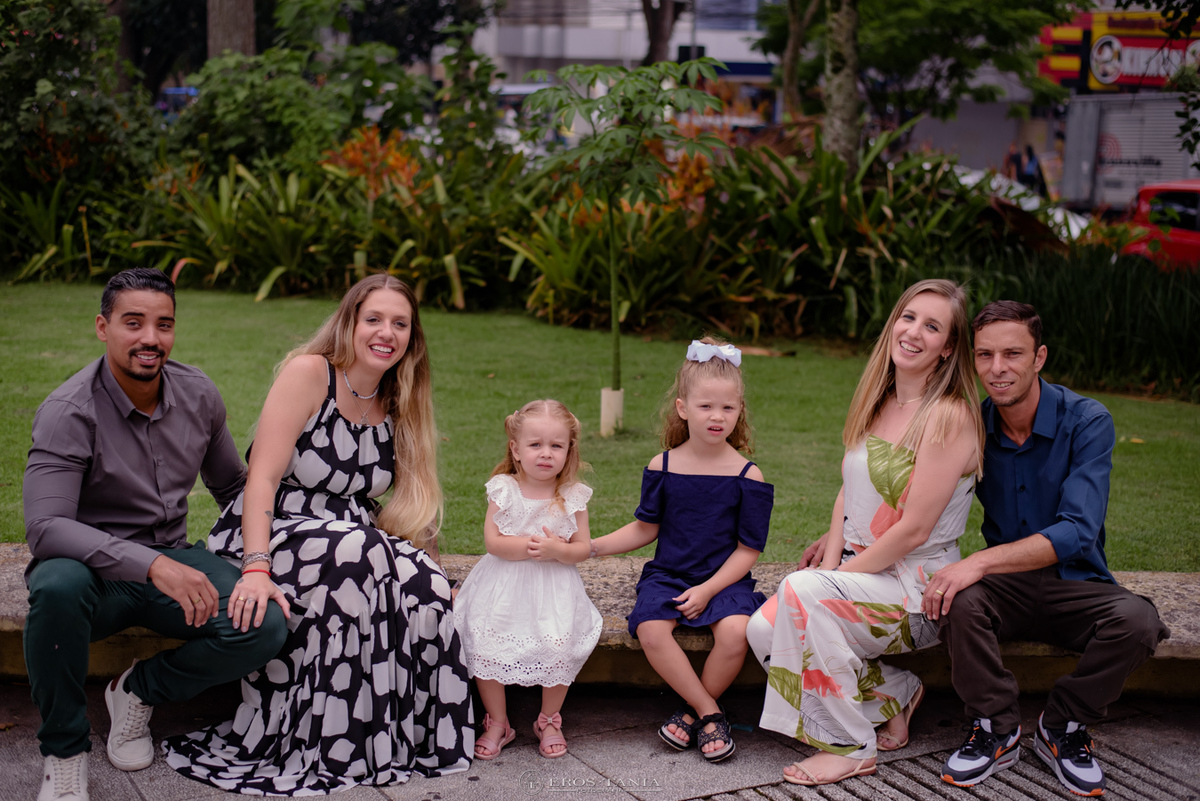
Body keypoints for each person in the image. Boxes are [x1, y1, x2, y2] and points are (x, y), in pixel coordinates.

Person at [162, 274, 474, 795]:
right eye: (373, 319)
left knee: (425, 587)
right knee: (359, 552)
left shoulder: (401, 397)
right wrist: (256, 567)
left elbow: (414, 501)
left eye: (400, 324)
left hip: (353, 543)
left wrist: (435, 574)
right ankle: (323, 744)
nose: (386, 333)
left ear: (412, 338)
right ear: (349, 322)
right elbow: (261, 479)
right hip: (273, 531)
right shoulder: (309, 374)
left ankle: (401, 743)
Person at [23, 268, 288, 801]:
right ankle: (65, 751)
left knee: (264, 624)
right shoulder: (68, 411)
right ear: (103, 327)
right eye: (133, 322)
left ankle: (137, 690)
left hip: (174, 562)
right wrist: (150, 565)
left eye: (163, 324)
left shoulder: (197, 393)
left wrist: (279, 553)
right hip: (92, 575)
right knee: (54, 589)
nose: (150, 338)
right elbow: (46, 528)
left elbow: (232, 488)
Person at [923, 301, 1170, 796]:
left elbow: (1077, 531)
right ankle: (996, 727)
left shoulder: (1087, 420)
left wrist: (979, 561)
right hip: (1007, 590)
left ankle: (1063, 726)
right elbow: (915, 490)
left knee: (1138, 622)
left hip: (1075, 581)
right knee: (956, 601)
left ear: (1039, 357)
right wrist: (845, 527)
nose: (997, 368)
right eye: (985, 355)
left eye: (1012, 354)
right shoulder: (971, 425)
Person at [746, 279, 983, 787]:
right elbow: (847, 493)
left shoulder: (949, 416)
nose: (913, 332)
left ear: (948, 348)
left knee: (803, 593)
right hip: (864, 574)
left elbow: (915, 529)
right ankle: (893, 694)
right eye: (908, 317)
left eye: (932, 326)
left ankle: (850, 744)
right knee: (760, 629)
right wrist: (831, 567)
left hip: (916, 593)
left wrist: (829, 584)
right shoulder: (880, 402)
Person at [589, 337, 774, 763]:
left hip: (724, 580)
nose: (717, 416)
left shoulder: (748, 475)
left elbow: (749, 550)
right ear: (683, 407)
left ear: (739, 411)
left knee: (735, 632)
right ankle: (709, 711)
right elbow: (645, 528)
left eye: (728, 407)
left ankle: (689, 714)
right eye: (706, 406)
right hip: (669, 575)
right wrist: (592, 547)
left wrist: (708, 590)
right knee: (651, 629)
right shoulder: (664, 465)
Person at [453, 399, 603, 760]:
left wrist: (559, 550)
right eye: (535, 444)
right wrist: (533, 547)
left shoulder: (572, 496)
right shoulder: (504, 488)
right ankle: (497, 721)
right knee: (486, 642)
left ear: (569, 451)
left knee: (559, 645)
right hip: (503, 586)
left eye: (556, 445)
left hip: (554, 589)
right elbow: (493, 542)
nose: (546, 453)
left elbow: (582, 548)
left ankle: (549, 719)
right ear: (516, 450)